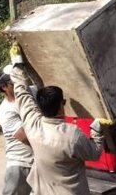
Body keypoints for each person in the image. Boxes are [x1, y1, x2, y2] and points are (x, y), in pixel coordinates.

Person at [8, 43, 110, 195]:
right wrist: (96, 129)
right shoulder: (72, 135)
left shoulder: (33, 124)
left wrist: (17, 64)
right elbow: (94, 154)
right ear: (61, 106)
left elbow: (22, 93)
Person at [0, 65, 33, 195]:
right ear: (4, 87)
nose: (20, 85)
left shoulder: (31, 91)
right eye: (15, 82)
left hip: (38, 161)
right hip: (21, 164)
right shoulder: (6, 110)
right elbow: (26, 138)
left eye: (20, 80)